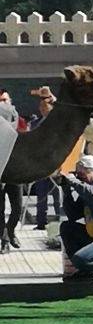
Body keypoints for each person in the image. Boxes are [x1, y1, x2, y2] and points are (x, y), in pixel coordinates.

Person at [0, 89, 23, 252]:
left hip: (16, 171)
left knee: (17, 207)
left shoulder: (18, 121)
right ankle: (4, 240)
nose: (3, 104)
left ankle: (11, 230)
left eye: (5, 100)